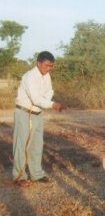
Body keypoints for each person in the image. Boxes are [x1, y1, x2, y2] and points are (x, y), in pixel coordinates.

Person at [12, 51, 66, 187]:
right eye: (47, 65)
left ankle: (36, 174)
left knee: (37, 145)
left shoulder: (46, 76)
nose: (49, 69)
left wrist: (48, 102)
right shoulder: (29, 76)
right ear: (38, 63)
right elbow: (36, 99)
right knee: (22, 145)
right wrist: (52, 104)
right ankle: (19, 176)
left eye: (51, 66)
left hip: (37, 114)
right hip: (25, 113)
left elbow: (49, 93)